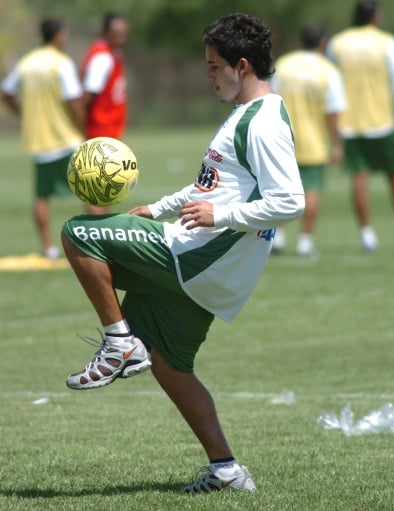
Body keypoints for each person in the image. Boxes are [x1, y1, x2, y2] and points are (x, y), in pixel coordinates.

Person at [61, 13, 305, 493]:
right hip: (211, 276)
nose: (207, 75)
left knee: (77, 233)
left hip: (194, 256)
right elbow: (210, 186)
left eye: (214, 66)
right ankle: (227, 470)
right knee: (170, 366)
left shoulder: (263, 123)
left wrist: (223, 217)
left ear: (241, 64)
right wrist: (159, 206)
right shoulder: (247, 116)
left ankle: (118, 343)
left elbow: (290, 200)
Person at [1, 18, 86, 259]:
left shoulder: (26, 63)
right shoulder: (61, 63)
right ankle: (98, 241)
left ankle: (48, 248)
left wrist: (23, 115)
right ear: (59, 35)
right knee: (92, 190)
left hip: (38, 143)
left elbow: (5, 93)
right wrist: (84, 130)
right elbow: (74, 100)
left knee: (41, 196)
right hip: (66, 139)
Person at [326, 0, 394, 251]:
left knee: (359, 177)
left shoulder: (338, 43)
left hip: (350, 123)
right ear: (374, 16)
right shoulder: (386, 42)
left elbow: (331, 81)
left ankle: (367, 234)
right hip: (383, 121)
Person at [271, 22, 346, 256]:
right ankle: (305, 241)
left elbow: (270, 99)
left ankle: (279, 238)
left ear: (299, 41)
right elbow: (333, 112)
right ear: (322, 42)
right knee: (312, 190)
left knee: (280, 189)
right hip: (314, 141)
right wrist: (337, 143)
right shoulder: (328, 71)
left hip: (283, 138)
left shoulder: (283, 65)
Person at [80, 12, 130, 140]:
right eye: (117, 34)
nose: (122, 38)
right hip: (100, 131)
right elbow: (87, 97)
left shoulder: (114, 53)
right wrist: (82, 129)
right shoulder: (102, 57)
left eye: (124, 33)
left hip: (109, 130)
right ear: (105, 32)